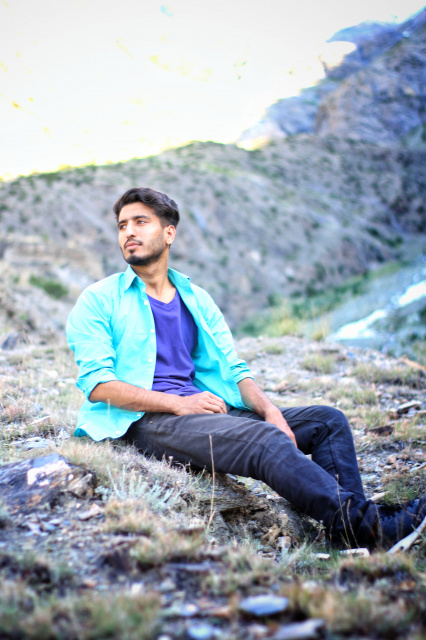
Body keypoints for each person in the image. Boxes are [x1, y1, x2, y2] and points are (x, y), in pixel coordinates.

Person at [66, 187, 425, 549]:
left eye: (140, 222)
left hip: (201, 411)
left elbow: (235, 368)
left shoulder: (196, 298)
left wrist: (271, 412)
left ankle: (346, 532)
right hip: (143, 421)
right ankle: (371, 529)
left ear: (169, 232)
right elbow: (98, 385)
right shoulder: (99, 299)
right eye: (122, 225)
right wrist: (179, 403)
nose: (129, 232)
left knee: (327, 422)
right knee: (264, 441)